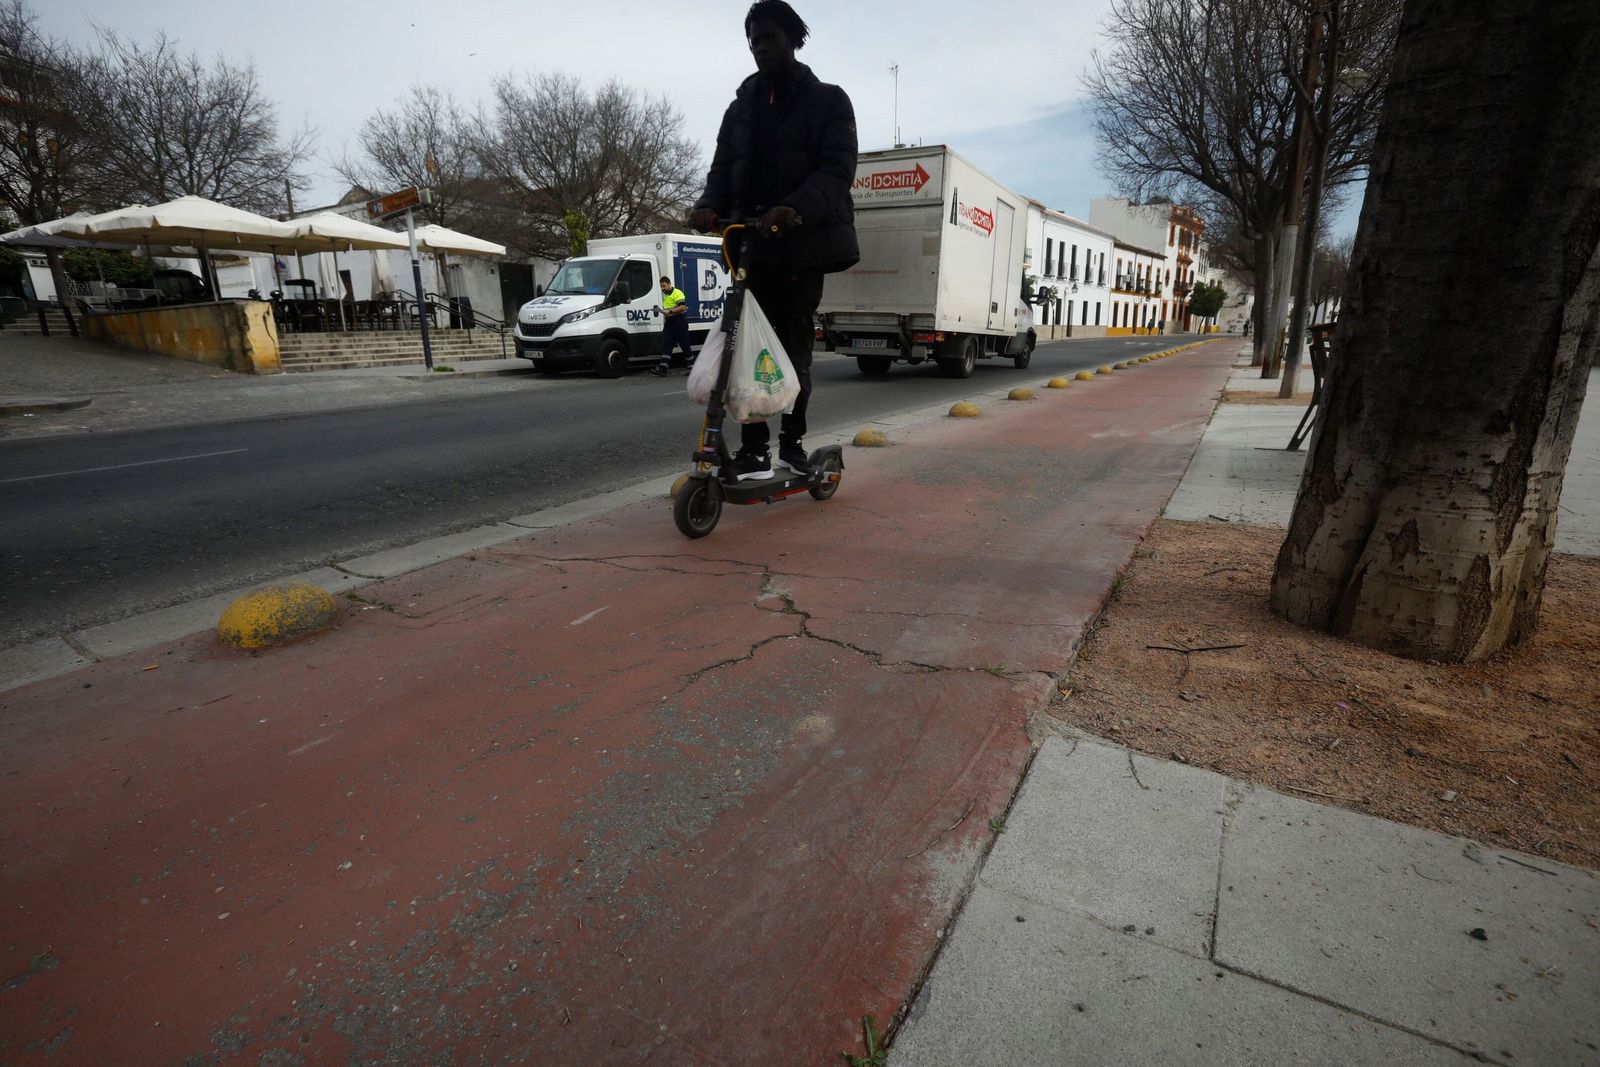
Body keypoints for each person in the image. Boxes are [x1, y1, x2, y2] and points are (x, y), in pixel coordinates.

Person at [690, 0, 859, 480]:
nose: (761, 47)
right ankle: (754, 449)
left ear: (793, 39)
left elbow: (837, 169)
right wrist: (709, 204)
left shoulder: (828, 100)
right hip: (751, 245)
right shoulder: (740, 108)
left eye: (770, 38)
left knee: (791, 349)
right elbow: (721, 171)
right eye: (754, 40)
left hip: (801, 248)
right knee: (747, 353)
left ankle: (792, 442)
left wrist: (796, 208)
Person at [650, 275, 694, 375]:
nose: (662, 288)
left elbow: (682, 307)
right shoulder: (666, 294)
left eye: (664, 286)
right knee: (666, 344)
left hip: (679, 322)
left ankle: (692, 368)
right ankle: (663, 368)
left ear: (669, 284)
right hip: (670, 322)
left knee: (685, 345)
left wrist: (670, 311)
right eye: (661, 286)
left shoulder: (677, 293)